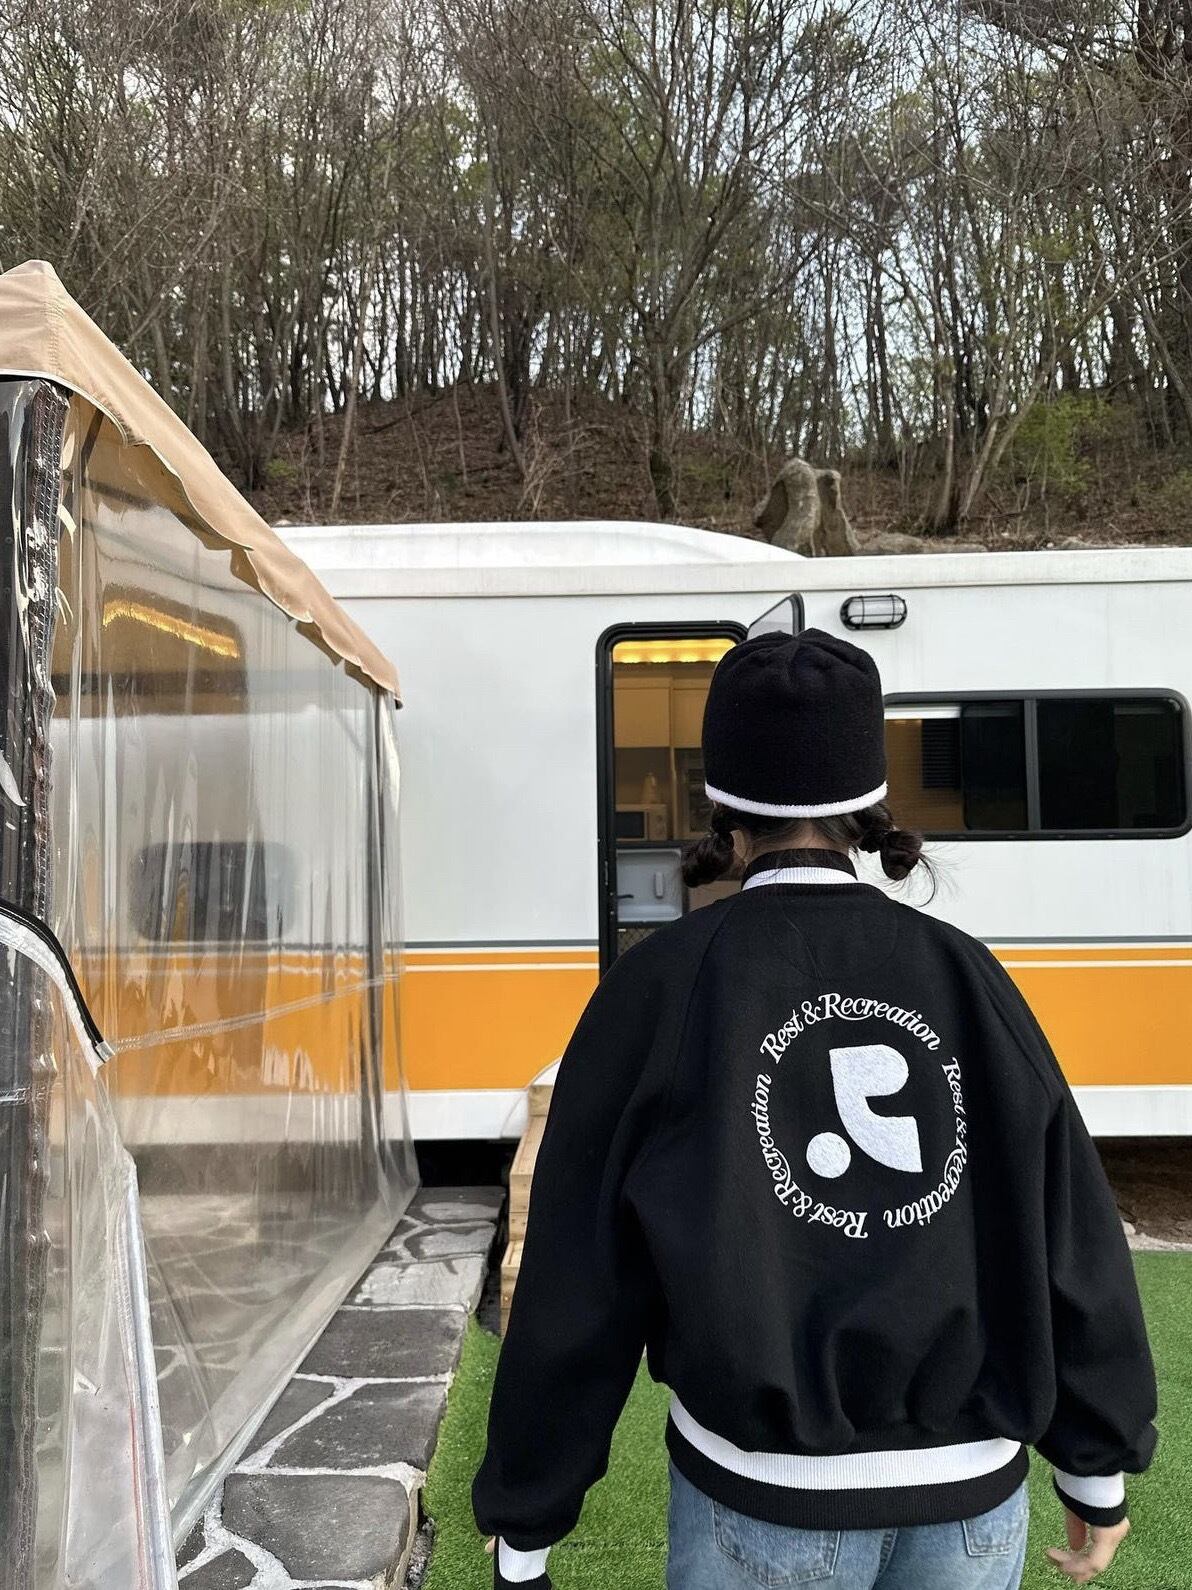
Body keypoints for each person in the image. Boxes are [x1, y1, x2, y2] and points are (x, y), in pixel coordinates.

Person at [473, 629, 1156, 1590]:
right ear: (868, 801)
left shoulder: (660, 985)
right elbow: (1071, 1232)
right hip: (973, 1505)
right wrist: (1095, 1471)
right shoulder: (968, 973)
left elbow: (577, 1273)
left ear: (722, 804)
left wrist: (526, 1523)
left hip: (762, 1498)